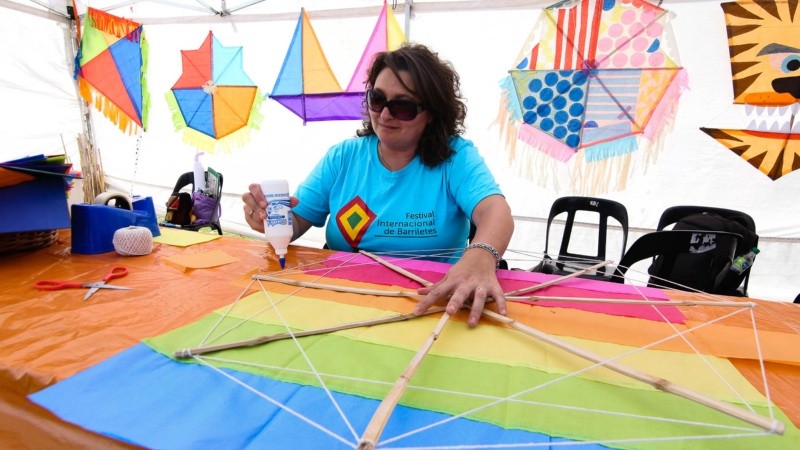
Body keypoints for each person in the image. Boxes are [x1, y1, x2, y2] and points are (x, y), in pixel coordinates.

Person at [242, 43, 514, 327]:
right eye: (377, 99)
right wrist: (271, 220)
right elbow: (297, 221)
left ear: (432, 112)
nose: (385, 114)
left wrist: (482, 255)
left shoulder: (455, 157)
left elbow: (495, 211)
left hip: (431, 306)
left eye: (403, 106)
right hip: (343, 303)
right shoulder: (343, 157)